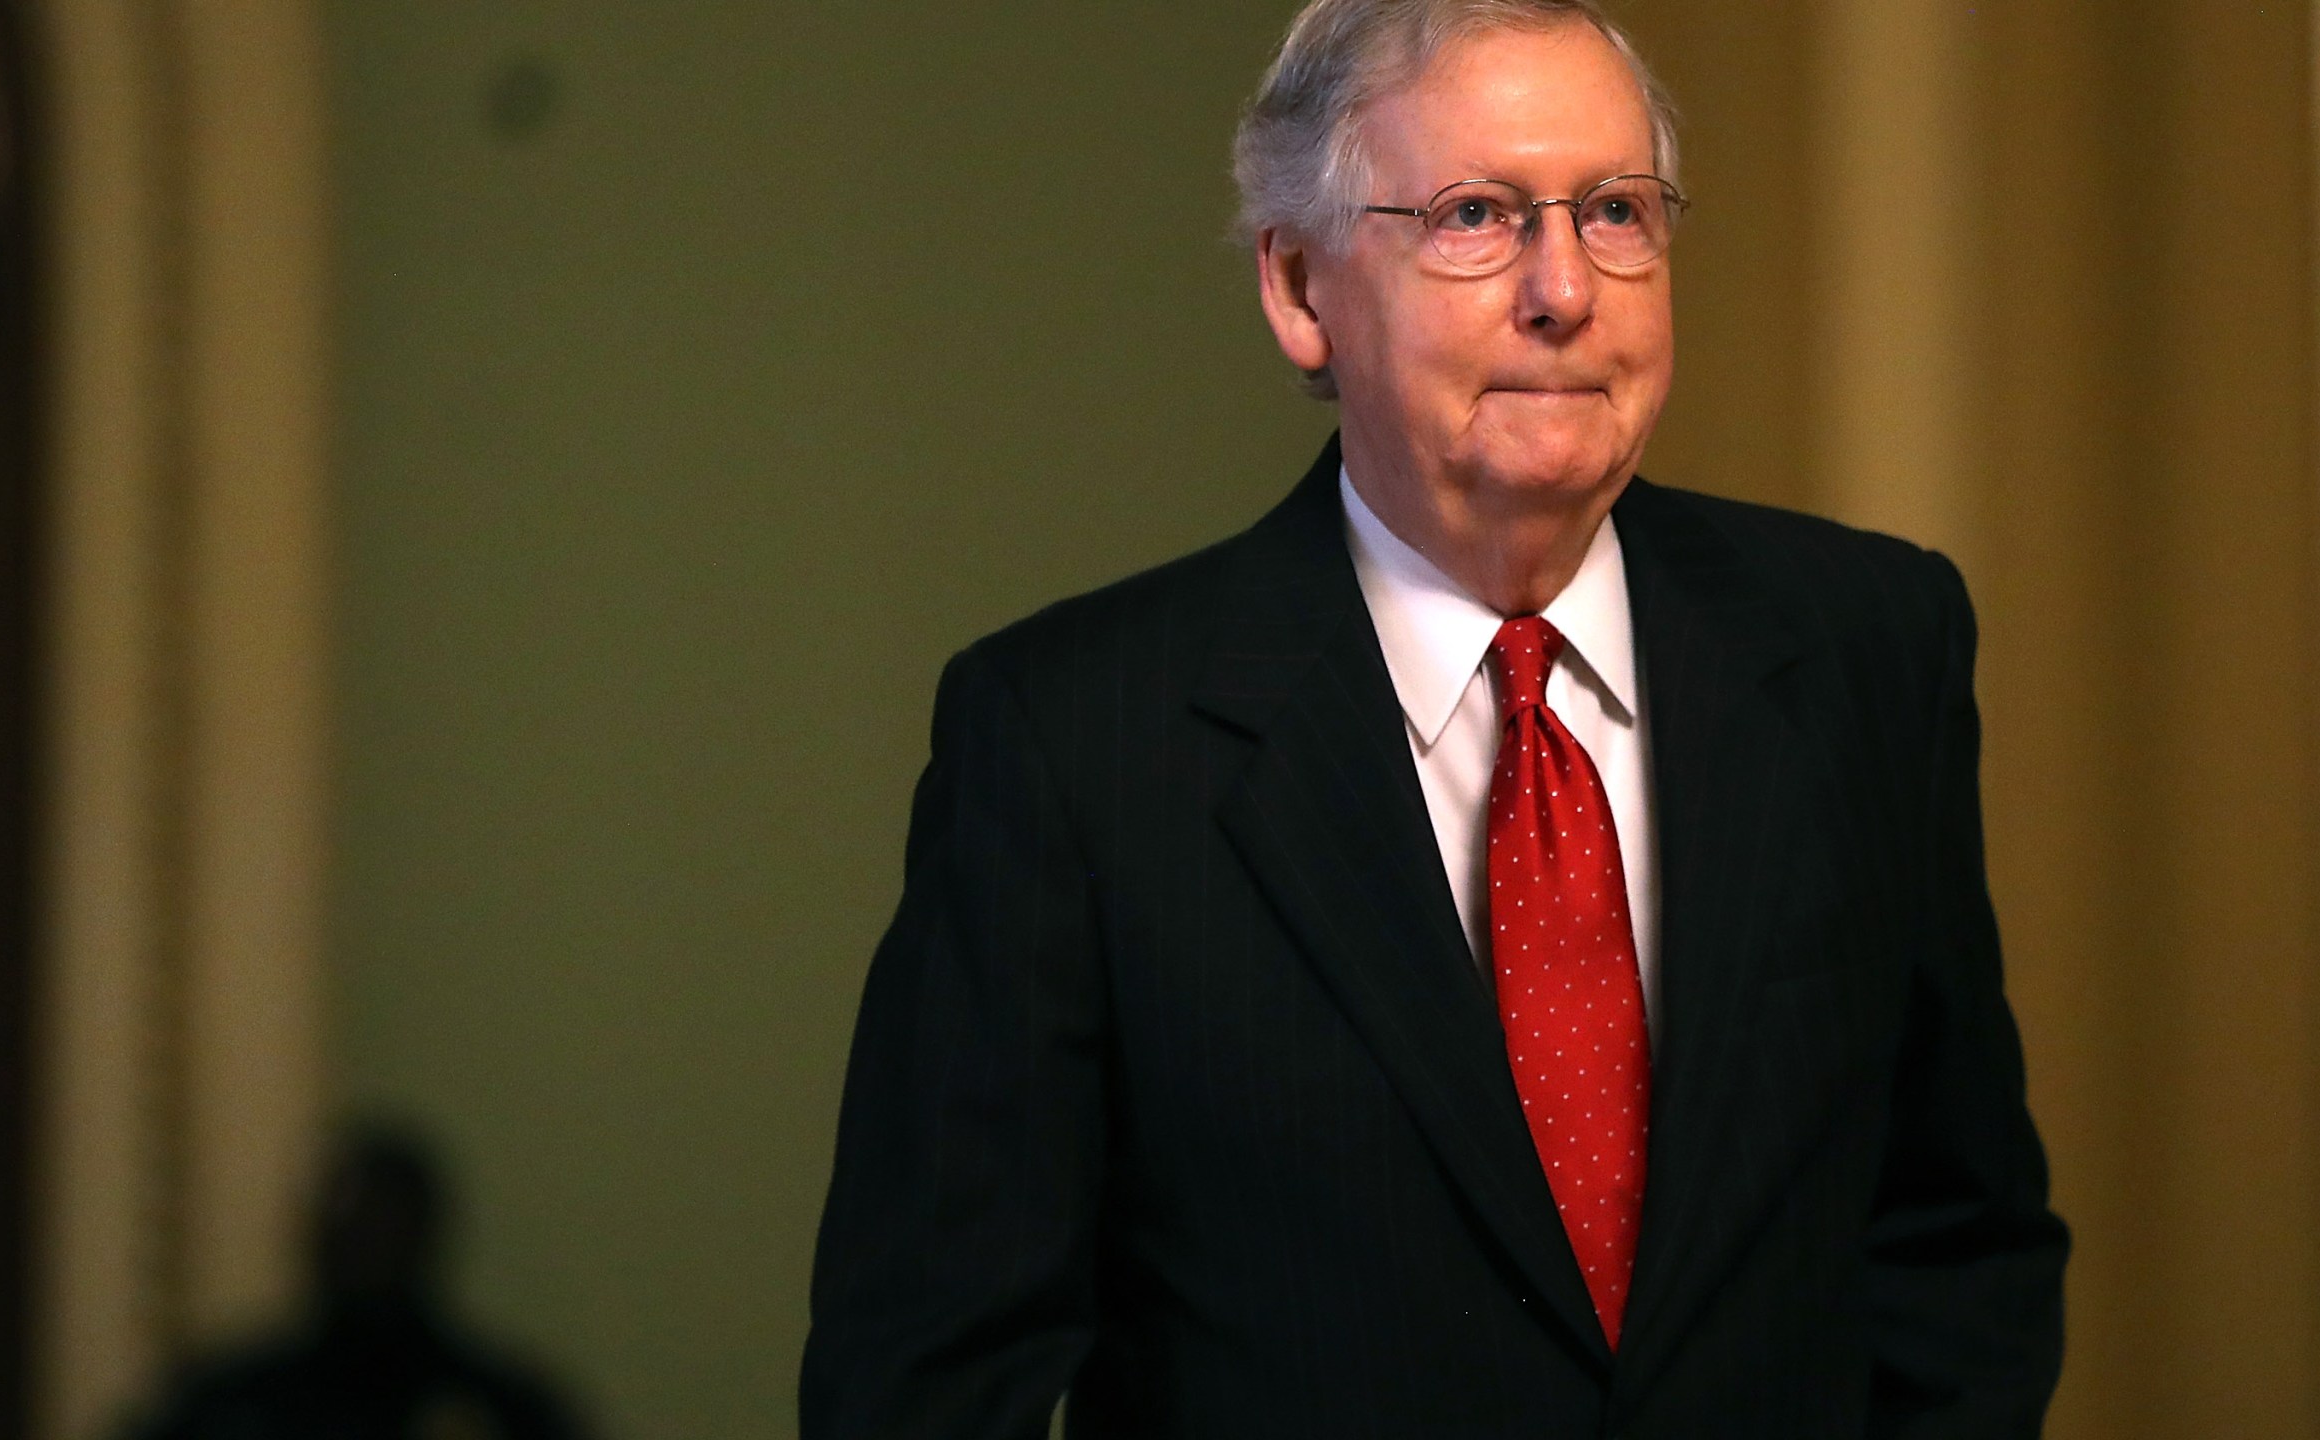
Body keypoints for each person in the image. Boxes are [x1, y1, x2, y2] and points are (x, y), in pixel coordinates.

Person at [801, 1, 2069, 1435]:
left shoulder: (1866, 645)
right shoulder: (1074, 740)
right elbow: (925, 1380)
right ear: (1298, 288)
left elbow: (1959, 1250)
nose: (1565, 290)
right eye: (1476, 215)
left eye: (1615, 212)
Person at [125, 1123, 589, 1440]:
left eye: (380, 1229)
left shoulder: (502, 1411)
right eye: (347, 1231)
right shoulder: (230, 1408)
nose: (362, 1251)